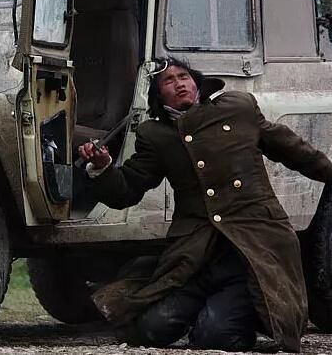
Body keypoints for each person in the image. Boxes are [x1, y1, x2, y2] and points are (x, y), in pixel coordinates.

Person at [78, 57, 332, 352]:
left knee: (215, 336)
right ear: (158, 95)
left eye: (183, 76)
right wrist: (103, 167)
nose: (179, 83)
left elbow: (296, 151)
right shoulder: (156, 135)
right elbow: (128, 190)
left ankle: (228, 315)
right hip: (196, 256)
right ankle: (205, 309)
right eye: (168, 81)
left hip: (251, 249)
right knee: (151, 328)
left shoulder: (238, 109)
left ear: (196, 82)